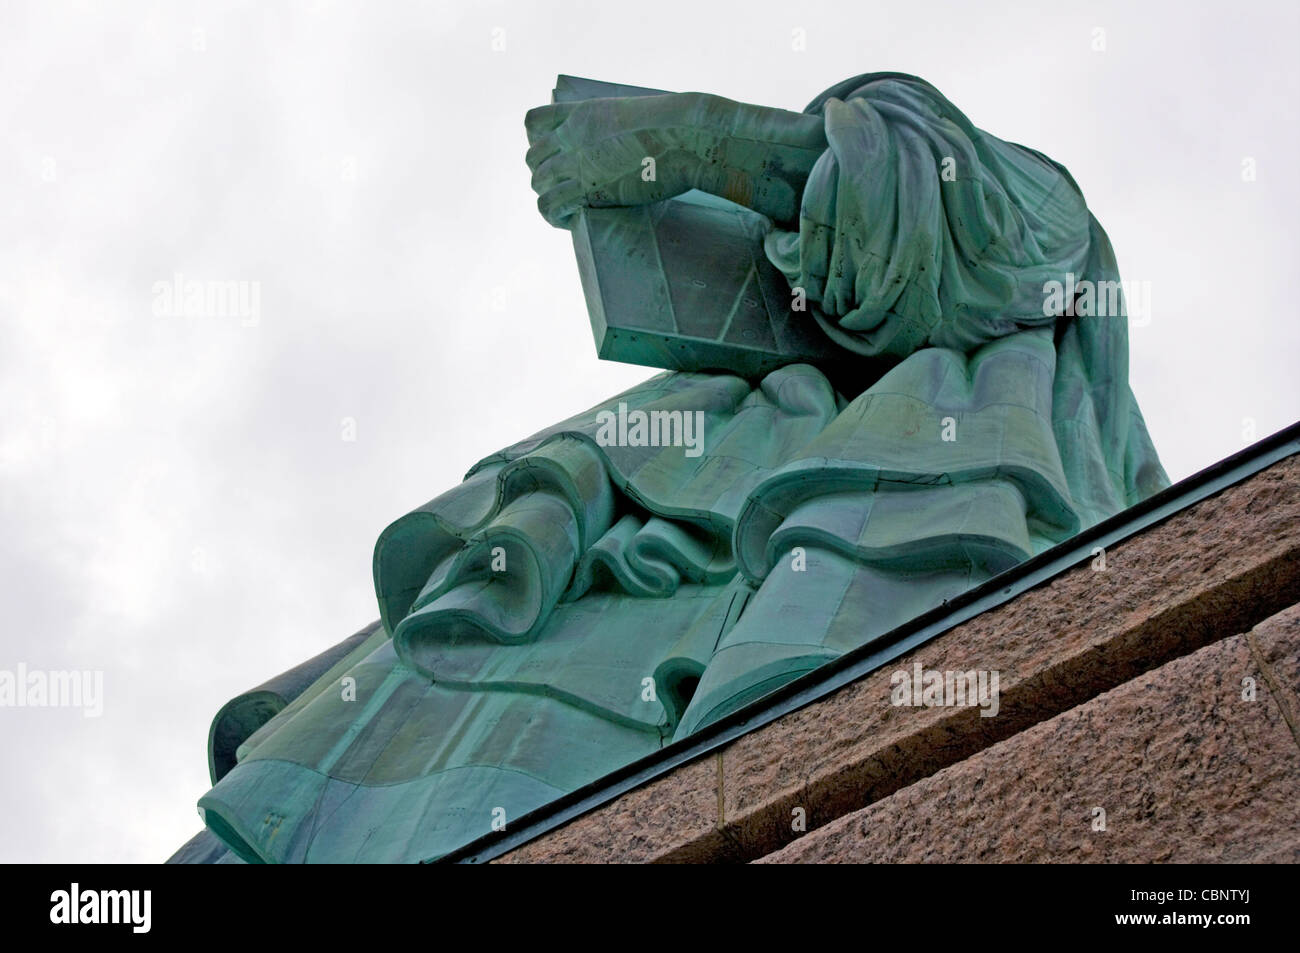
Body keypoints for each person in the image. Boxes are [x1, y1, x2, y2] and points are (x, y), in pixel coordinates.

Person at [180, 72, 1168, 864]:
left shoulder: (1037, 224)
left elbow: (981, 240)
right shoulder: (702, 423)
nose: (809, 262)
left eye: (829, 204)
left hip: (874, 544)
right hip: (631, 542)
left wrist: (704, 141)